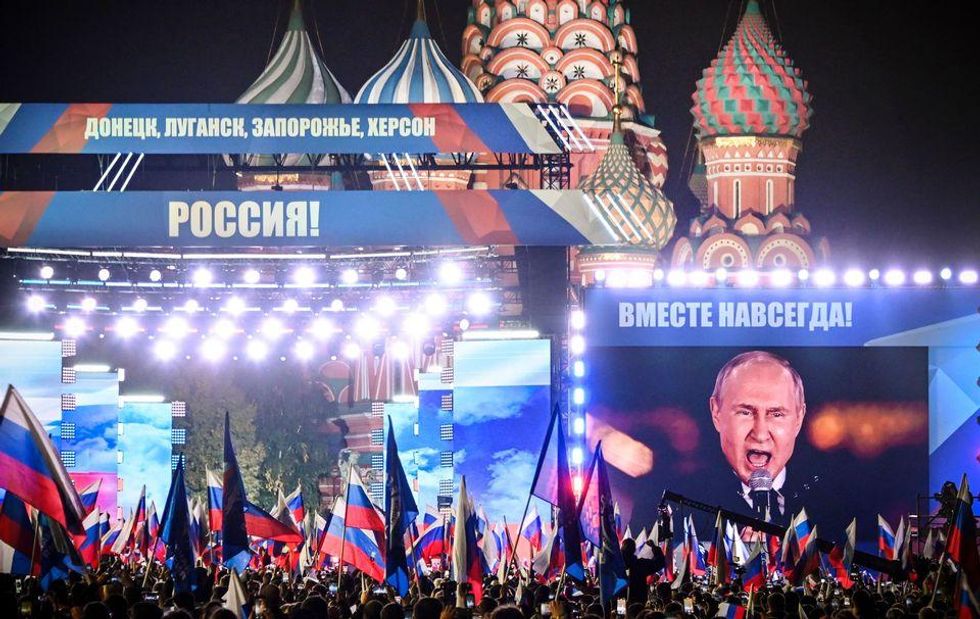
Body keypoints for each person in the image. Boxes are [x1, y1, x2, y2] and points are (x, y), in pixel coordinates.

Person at [709, 350, 807, 521]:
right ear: (716, 413)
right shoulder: (683, 506)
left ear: (799, 418)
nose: (760, 434)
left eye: (776, 414)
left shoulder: (837, 504)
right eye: (745, 412)